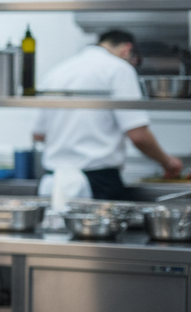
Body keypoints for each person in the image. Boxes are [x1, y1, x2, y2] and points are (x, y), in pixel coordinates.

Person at [33, 30, 182, 201]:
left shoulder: (58, 71)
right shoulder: (119, 68)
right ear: (127, 49)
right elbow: (138, 135)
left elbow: (38, 134)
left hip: (53, 183)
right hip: (97, 183)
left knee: (52, 228)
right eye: (136, 62)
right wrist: (168, 162)